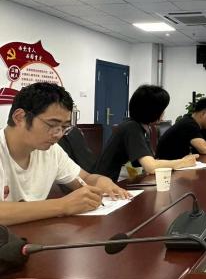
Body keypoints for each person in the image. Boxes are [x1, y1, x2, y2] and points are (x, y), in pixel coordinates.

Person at [0, 82, 130, 226]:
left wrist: (100, 181)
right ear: (20, 117)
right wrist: (62, 205)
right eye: (52, 125)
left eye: (64, 127)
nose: (59, 135)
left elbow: (84, 179)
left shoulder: (51, 151)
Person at [94, 85, 198, 181]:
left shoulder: (139, 126)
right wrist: (183, 162)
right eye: (162, 109)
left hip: (113, 181)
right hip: (105, 185)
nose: (163, 113)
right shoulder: (132, 128)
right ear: (152, 111)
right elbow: (151, 167)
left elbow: (148, 162)